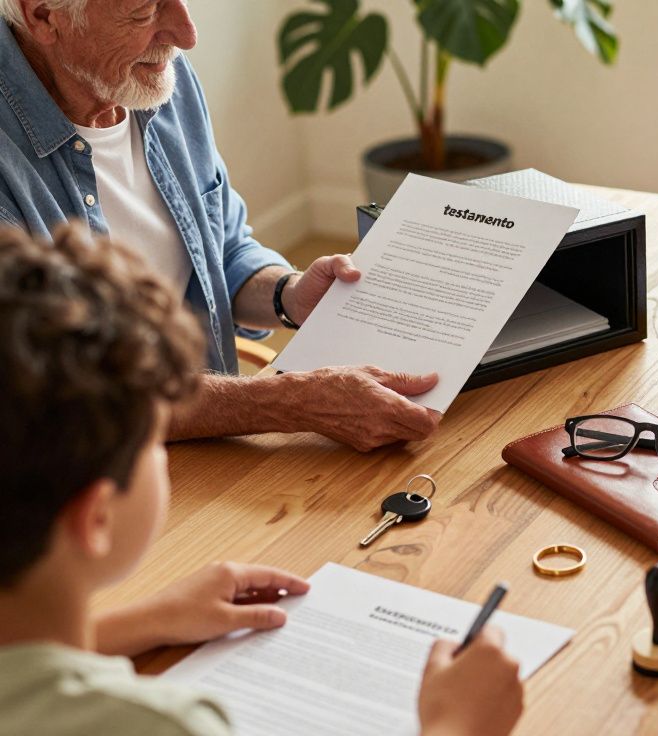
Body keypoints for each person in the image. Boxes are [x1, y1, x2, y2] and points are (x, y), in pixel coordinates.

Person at [0, 224, 524, 736]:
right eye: (154, 437)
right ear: (97, 518)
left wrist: (142, 621)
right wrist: (457, 725)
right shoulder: (162, 723)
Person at [0, 0, 440, 452]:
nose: (186, 34)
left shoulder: (154, 76)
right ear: (43, 15)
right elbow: (55, 397)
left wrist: (289, 294)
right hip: (85, 475)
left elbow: (223, 247)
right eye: (145, 10)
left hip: (216, 446)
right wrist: (285, 403)